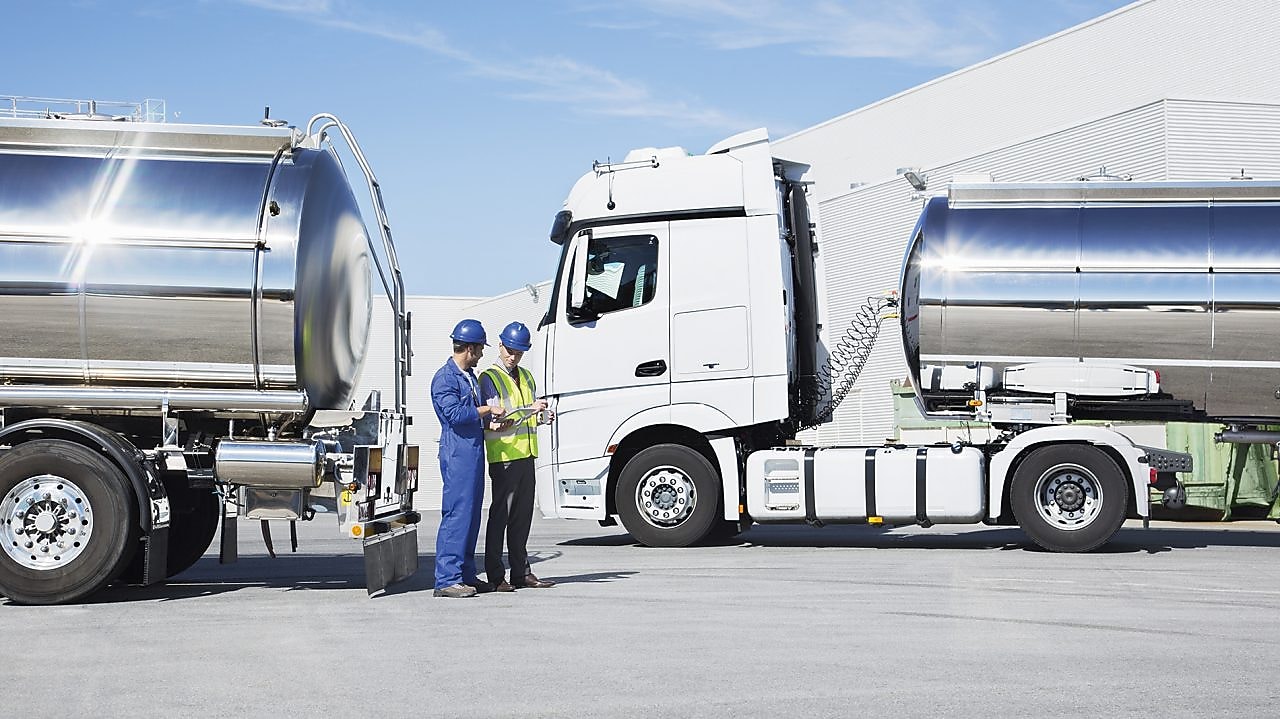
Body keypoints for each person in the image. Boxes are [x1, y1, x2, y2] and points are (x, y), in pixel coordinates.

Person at [431, 319, 506, 598]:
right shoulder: (445, 378)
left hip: (473, 451)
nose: (483, 354)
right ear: (471, 348)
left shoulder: (468, 377)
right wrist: (488, 409)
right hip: (457, 453)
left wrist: (491, 423)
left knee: (471, 515)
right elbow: (454, 415)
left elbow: (472, 416)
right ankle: (446, 579)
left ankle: (465, 574)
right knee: (457, 515)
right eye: (481, 349)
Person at [479, 321, 556, 591]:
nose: (513, 356)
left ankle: (521, 573)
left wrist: (541, 416)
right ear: (500, 345)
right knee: (501, 517)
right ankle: (496, 576)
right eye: (510, 350)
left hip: (526, 455)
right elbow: (493, 416)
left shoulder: (527, 376)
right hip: (504, 458)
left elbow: (524, 414)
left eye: (519, 352)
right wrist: (527, 409)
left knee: (522, 517)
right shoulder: (489, 378)